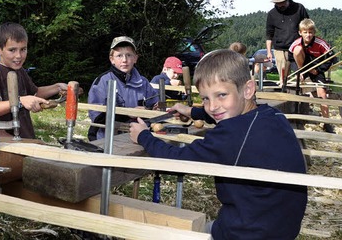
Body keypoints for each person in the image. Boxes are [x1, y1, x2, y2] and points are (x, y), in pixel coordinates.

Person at [129, 49, 307, 239]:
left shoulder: (232, 135)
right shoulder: (271, 116)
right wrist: (192, 112)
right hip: (281, 228)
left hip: (247, 233)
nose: (212, 106)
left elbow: (176, 160)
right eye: (205, 98)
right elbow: (227, 115)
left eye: (221, 95)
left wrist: (143, 136)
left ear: (248, 89)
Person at [0, 22, 67, 139]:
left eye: (23, 49)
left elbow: (35, 93)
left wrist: (57, 87)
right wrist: (20, 101)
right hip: (4, 141)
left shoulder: (20, 71)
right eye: (12, 50)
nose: (18, 56)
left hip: (25, 137)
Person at [88, 36, 158, 141]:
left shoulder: (143, 82)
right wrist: (127, 113)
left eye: (129, 55)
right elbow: (97, 117)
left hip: (139, 138)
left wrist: (151, 110)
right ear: (112, 59)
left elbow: (154, 108)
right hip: (109, 139)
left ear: (135, 58)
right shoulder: (102, 82)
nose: (124, 60)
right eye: (119, 56)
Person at [289, 18, 336, 133]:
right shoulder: (296, 43)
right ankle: (298, 118)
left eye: (310, 32)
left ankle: (326, 122)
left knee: (322, 94)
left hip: (317, 70)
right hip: (303, 68)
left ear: (314, 32)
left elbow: (331, 59)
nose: (308, 35)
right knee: (297, 50)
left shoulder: (320, 43)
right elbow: (291, 58)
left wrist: (318, 70)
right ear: (300, 32)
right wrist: (299, 71)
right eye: (305, 32)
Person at [266, 0, 309, 86]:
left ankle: (305, 97)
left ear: (286, 0)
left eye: (282, 2)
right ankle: (286, 98)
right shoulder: (272, 14)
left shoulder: (299, 8)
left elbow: (307, 25)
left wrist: (308, 43)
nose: (280, 5)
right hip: (280, 49)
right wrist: (269, 52)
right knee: (284, 79)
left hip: (297, 47)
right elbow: (269, 34)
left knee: (301, 75)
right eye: (278, 3)